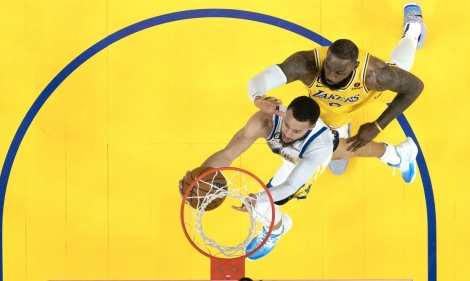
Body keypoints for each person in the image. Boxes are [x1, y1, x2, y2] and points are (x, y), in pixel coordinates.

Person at [179, 96, 418, 261]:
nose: (288, 134)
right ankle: (397, 154)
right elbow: (229, 153)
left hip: (306, 160)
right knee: (343, 148)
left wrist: (257, 198)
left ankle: (277, 229)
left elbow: (291, 184)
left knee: (270, 201)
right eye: (287, 126)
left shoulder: (319, 146)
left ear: (311, 127)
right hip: (296, 153)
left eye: (296, 132)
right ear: (284, 114)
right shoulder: (264, 121)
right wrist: (200, 175)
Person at [247, 2, 426, 176]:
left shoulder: (376, 76)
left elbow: (415, 87)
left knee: (400, 68)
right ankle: (340, 130)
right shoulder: (306, 65)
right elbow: (261, 78)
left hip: (368, 94)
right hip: (331, 113)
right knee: (331, 162)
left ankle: (412, 30)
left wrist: (377, 126)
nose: (331, 76)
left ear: (355, 66)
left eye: (339, 72)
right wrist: (257, 96)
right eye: (328, 67)